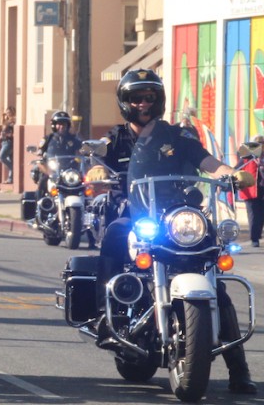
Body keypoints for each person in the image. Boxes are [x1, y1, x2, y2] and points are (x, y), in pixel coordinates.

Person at [88, 68, 256, 395]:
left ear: (159, 99)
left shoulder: (178, 137)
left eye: (148, 97)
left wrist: (231, 174)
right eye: (136, 98)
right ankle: (104, 317)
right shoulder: (116, 139)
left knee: (215, 281)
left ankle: (239, 368)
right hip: (135, 215)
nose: (142, 104)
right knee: (115, 234)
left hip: (180, 219)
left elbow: (209, 163)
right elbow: (96, 162)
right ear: (125, 102)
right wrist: (93, 168)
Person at [240, 135, 264, 248]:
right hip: (250, 190)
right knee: (253, 216)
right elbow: (237, 169)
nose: (261, 145)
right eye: (258, 143)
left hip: (262, 189)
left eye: (262, 143)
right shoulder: (247, 157)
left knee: (261, 216)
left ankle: (258, 235)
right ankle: (254, 239)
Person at [0, 106, 15, 184]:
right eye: (6, 112)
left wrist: (7, 135)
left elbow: (12, 132)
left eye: (9, 112)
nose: (7, 114)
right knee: (9, 159)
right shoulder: (6, 121)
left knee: (1, 157)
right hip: (4, 142)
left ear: (12, 112)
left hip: (8, 142)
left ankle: (13, 168)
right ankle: (10, 178)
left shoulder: (12, 121)